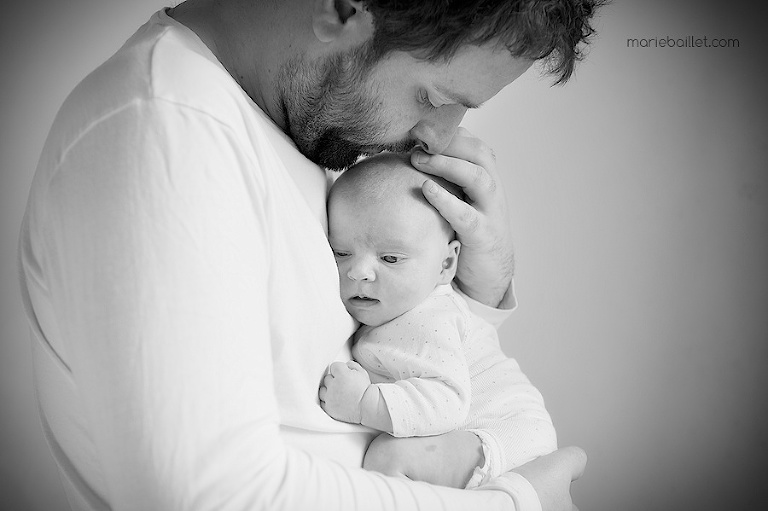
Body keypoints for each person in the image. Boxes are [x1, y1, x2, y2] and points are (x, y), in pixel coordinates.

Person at [18, 0, 602, 509]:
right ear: (343, 9)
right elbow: (207, 497)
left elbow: (353, 376)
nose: (441, 137)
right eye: (433, 98)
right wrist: (516, 504)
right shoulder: (167, 130)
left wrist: (481, 290)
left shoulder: (299, 129)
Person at [320, 154, 557, 489]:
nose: (359, 272)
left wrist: (363, 403)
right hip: (498, 434)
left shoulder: (425, 319)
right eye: (341, 252)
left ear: (446, 264)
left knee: (388, 458)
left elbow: (445, 402)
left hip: (506, 433)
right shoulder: (401, 308)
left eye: (390, 258)